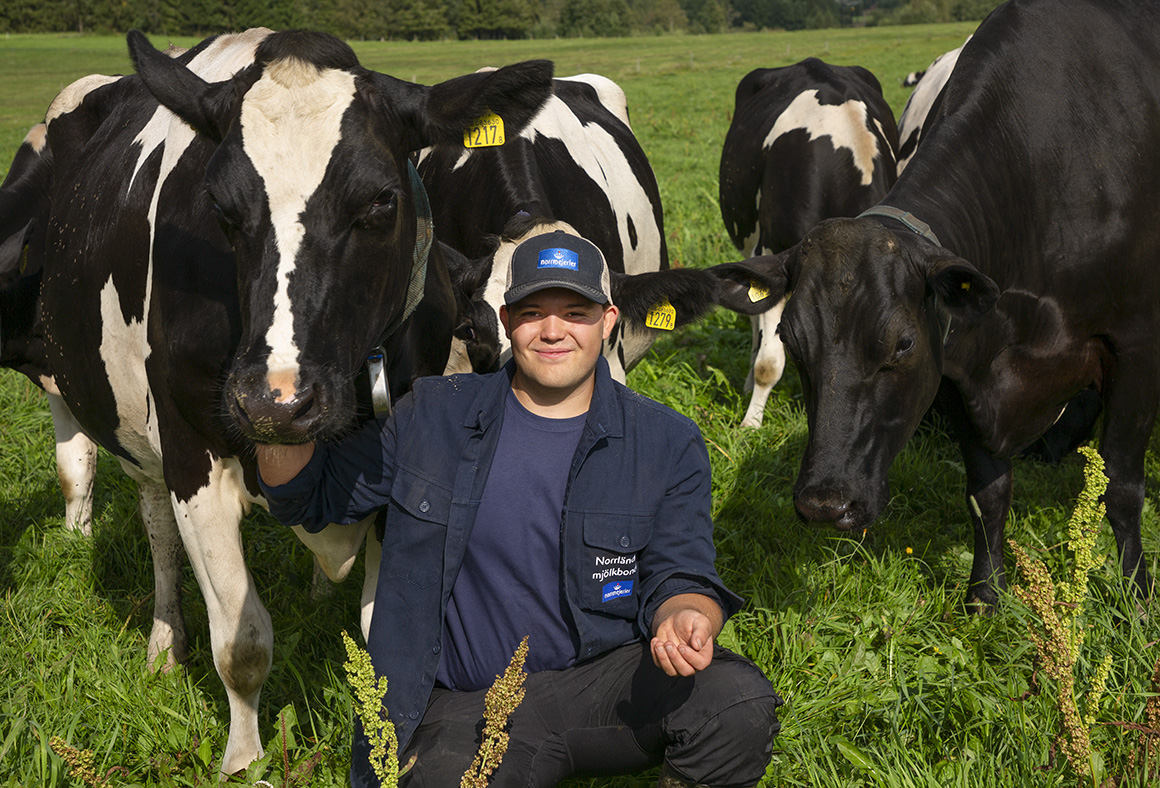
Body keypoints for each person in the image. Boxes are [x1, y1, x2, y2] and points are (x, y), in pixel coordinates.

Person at [256, 230, 783, 788]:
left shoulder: (665, 442)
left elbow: (683, 569)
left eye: (575, 312)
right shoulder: (431, 417)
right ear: (505, 322)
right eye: (533, 312)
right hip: (464, 705)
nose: (553, 331)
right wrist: (274, 407)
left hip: (599, 687)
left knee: (735, 704)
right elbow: (310, 496)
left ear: (609, 321)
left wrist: (687, 614)